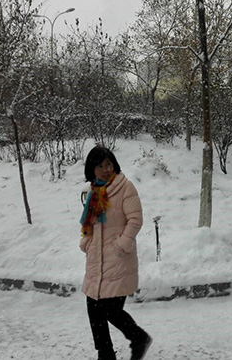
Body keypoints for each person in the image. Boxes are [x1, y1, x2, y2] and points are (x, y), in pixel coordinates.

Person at [79, 145, 152, 360]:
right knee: (93, 308)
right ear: (92, 169)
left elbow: (135, 220)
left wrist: (122, 244)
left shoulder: (125, 187)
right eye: (100, 166)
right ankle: (105, 354)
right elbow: (90, 223)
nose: (105, 170)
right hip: (97, 259)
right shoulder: (94, 190)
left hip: (118, 258)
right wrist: (86, 240)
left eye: (108, 164)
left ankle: (138, 338)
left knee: (110, 310)